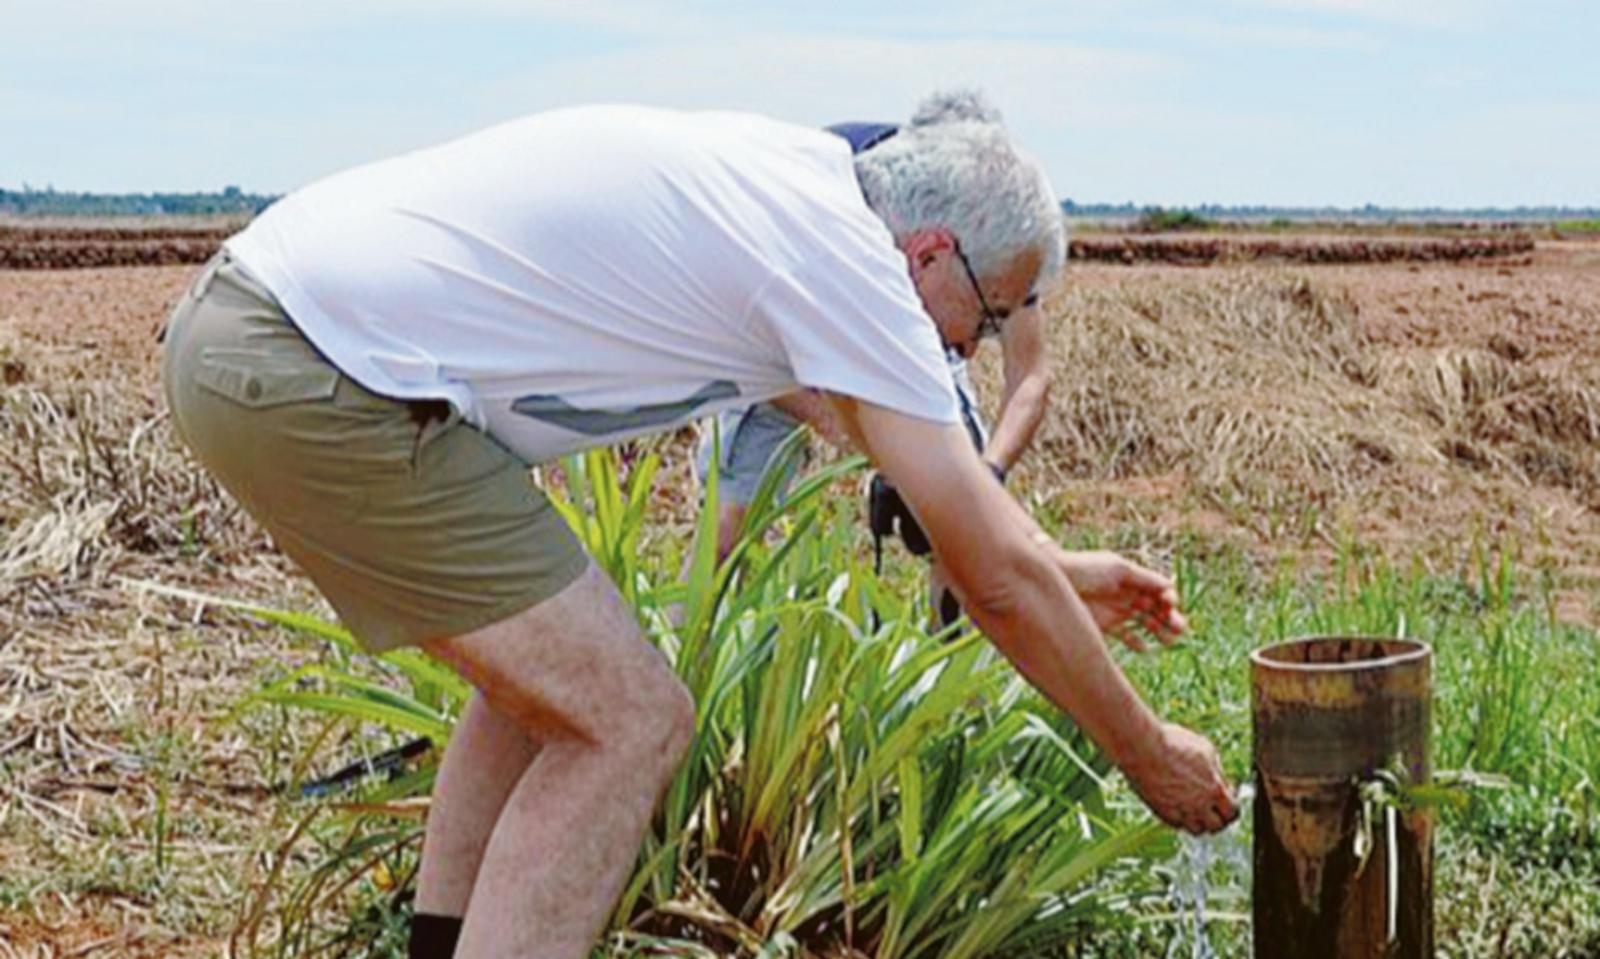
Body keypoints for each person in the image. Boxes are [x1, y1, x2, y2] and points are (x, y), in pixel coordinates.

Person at [160, 91, 1236, 959]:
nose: (971, 347)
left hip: (272, 332)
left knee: (548, 692)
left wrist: (1051, 561)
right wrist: (1148, 753)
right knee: (628, 719)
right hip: (315, 372)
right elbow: (986, 580)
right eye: (988, 316)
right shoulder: (844, 264)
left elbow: (930, 488)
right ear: (933, 255)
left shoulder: (803, 200)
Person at [693, 103, 1051, 630]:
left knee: (963, 528)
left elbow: (1031, 377)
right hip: (780, 347)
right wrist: (854, 430)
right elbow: (748, 348)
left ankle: (953, 688)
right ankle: (695, 660)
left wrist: (983, 477)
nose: (977, 348)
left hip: (919, 334)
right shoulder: (835, 199)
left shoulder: (1002, 244)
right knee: (727, 527)